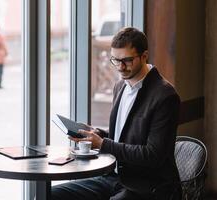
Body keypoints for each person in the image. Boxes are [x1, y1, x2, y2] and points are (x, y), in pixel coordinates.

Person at [52, 27, 182, 200]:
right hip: (113, 177)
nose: (120, 67)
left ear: (144, 56)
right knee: (52, 194)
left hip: (148, 185)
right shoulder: (120, 86)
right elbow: (124, 138)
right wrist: (97, 135)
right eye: (115, 60)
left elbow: (153, 155)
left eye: (127, 60)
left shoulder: (165, 96)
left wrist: (103, 144)